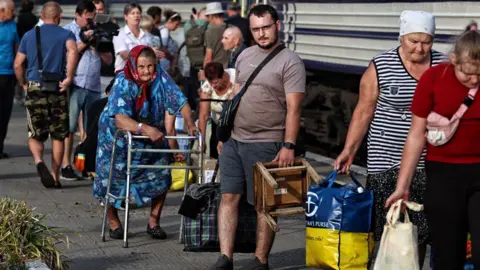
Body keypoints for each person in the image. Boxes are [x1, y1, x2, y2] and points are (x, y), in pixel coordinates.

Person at [333, 10, 445, 266]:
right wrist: (349, 150)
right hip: (386, 160)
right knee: (388, 227)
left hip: (428, 161)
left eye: (426, 41)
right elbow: (364, 110)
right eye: (413, 41)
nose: (420, 48)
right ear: (401, 37)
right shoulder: (381, 65)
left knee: (420, 231)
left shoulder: (442, 66)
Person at [213, 5, 306, 270]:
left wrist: (288, 145)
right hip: (235, 140)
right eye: (256, 29)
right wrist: (225, 133)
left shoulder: (290, 61)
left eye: (266, 27)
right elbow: (236, 95)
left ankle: (260, 259)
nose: (261, 34)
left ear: (277, 25)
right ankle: (225, 257)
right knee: (228, 197)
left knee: (264, 204)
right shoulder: (243, 56)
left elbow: (294, 108)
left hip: (267, 142)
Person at [385, 30, 480, 270]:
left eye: (479, 73)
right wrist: (402, 186)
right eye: (467, 73)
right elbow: (416, 135)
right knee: (448, 253)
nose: (474, 80)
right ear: (453, 59)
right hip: (444, 175)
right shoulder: (433, 79)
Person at [93, 45, 197, 240]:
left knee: (162, 172)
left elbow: (180, 100)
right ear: (134, 65)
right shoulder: (123, 81)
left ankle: (153, 221)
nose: (146, 71)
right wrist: (146, 129)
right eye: (142, 67)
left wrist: (190, 123)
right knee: (111, 178)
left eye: (150, 66)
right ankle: (113, 220)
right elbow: (120, 119)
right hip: (118, 135)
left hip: (150, 132)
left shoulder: (160, 77)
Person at [14, 1, 77, 188]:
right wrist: (69, 78)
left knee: (35, 133)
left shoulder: (29, 35)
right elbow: (73, 51)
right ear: (58, 17)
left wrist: (23, 83)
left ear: (42, 16)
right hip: (57, 87)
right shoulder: (66, 34)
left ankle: (38, 161)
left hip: (35, 86)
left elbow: (18, 64)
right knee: (58, 135)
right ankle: (55, 175)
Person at [62, 0, 101, 181]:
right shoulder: (67, 30)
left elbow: (106, 57)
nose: (90, 22)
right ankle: (66, 165)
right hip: (76, 83)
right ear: (79, 14)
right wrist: (85, 41)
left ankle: (83, 164)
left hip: (93, 84)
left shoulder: (95, 29)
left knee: (89, 128)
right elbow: (70, 53)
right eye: (88, 18)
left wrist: (100, 41)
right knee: (69, 127)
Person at [198, 62, 236, 159]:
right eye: (211, 83)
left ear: (223, 75)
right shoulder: (207, 88)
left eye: (216, 82)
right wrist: (201, 140)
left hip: (235, 125)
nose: (213, 86)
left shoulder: (236, 78)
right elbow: (203, 115)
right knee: (215, 154)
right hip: (218, 125)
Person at [112, 3, 159, 72]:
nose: (136, 16)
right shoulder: (119, 34)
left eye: (138, 13)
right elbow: (124, 55)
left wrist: (155, 55)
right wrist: (149, 55)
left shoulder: (146, 35)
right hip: (125, 76)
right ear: (126, 16)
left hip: (143, 75)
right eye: (132, 13)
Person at [0, 0, 20, 159]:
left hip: (9, 75)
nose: (14, 13)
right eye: (12, 10)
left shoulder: (13, 26)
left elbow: (17, 49)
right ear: (1, 10)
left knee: (5, 113)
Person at [204, 2, 229, 68]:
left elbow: (208, 58)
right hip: (231, 68)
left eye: (207, 16)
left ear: (211, 17)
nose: (207, 19)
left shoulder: (210, 31)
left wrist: (204, 72)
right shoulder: (231, 28)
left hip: (216, 70)